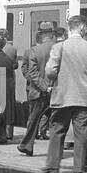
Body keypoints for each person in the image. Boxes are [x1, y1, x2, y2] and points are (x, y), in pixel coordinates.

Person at [42, 14, 87, 173]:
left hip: (62, 95)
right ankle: (78, 169)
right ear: (82, 28)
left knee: (57, 130)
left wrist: (54, 80)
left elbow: (49, 71)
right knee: (81, 134)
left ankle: (53, 166)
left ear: (69, 27)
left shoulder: (60, 47)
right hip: (84, 97)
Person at [17, 25, 55, 156]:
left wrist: (45, 87)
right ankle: (58, 149)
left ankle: (27, 145)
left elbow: (32, 73)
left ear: (40, 35)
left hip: (39, 92)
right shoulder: (61, 49)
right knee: (59, 120)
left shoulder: (34, 50)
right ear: (52, 35)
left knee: (33, 119)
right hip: (58, 90)